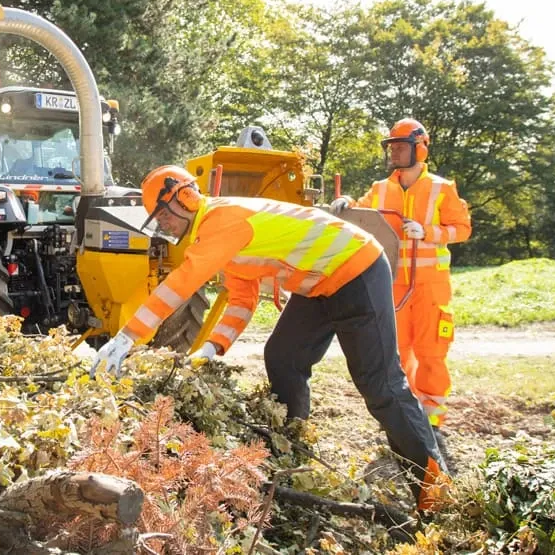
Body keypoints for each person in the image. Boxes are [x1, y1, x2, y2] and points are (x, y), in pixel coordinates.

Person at [91, 164, 450, 511]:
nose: (164, 225)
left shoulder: (222, 220)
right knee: (283, 358)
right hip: (319, 283)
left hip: (356, 268)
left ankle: (434, 485)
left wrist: (127, 336)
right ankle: (291, 446)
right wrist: (214, 348)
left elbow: (182, 283)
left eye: (164, 215)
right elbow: (242, 300)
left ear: (184, 198)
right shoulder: (214, 233)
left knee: (381, 385)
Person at [330, 119, 471, 441]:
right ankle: (404, 414)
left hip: (430, 287)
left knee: (431, 351)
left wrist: (430, 233)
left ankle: (432, 418)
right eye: (391, 147)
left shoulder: (441, 188)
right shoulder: (380, 189)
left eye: (400, 147)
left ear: (419, 149)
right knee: (395, 352)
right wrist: (345, 202)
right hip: (392, 285)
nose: (394, 152)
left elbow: (462, 229)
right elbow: (359, 211)